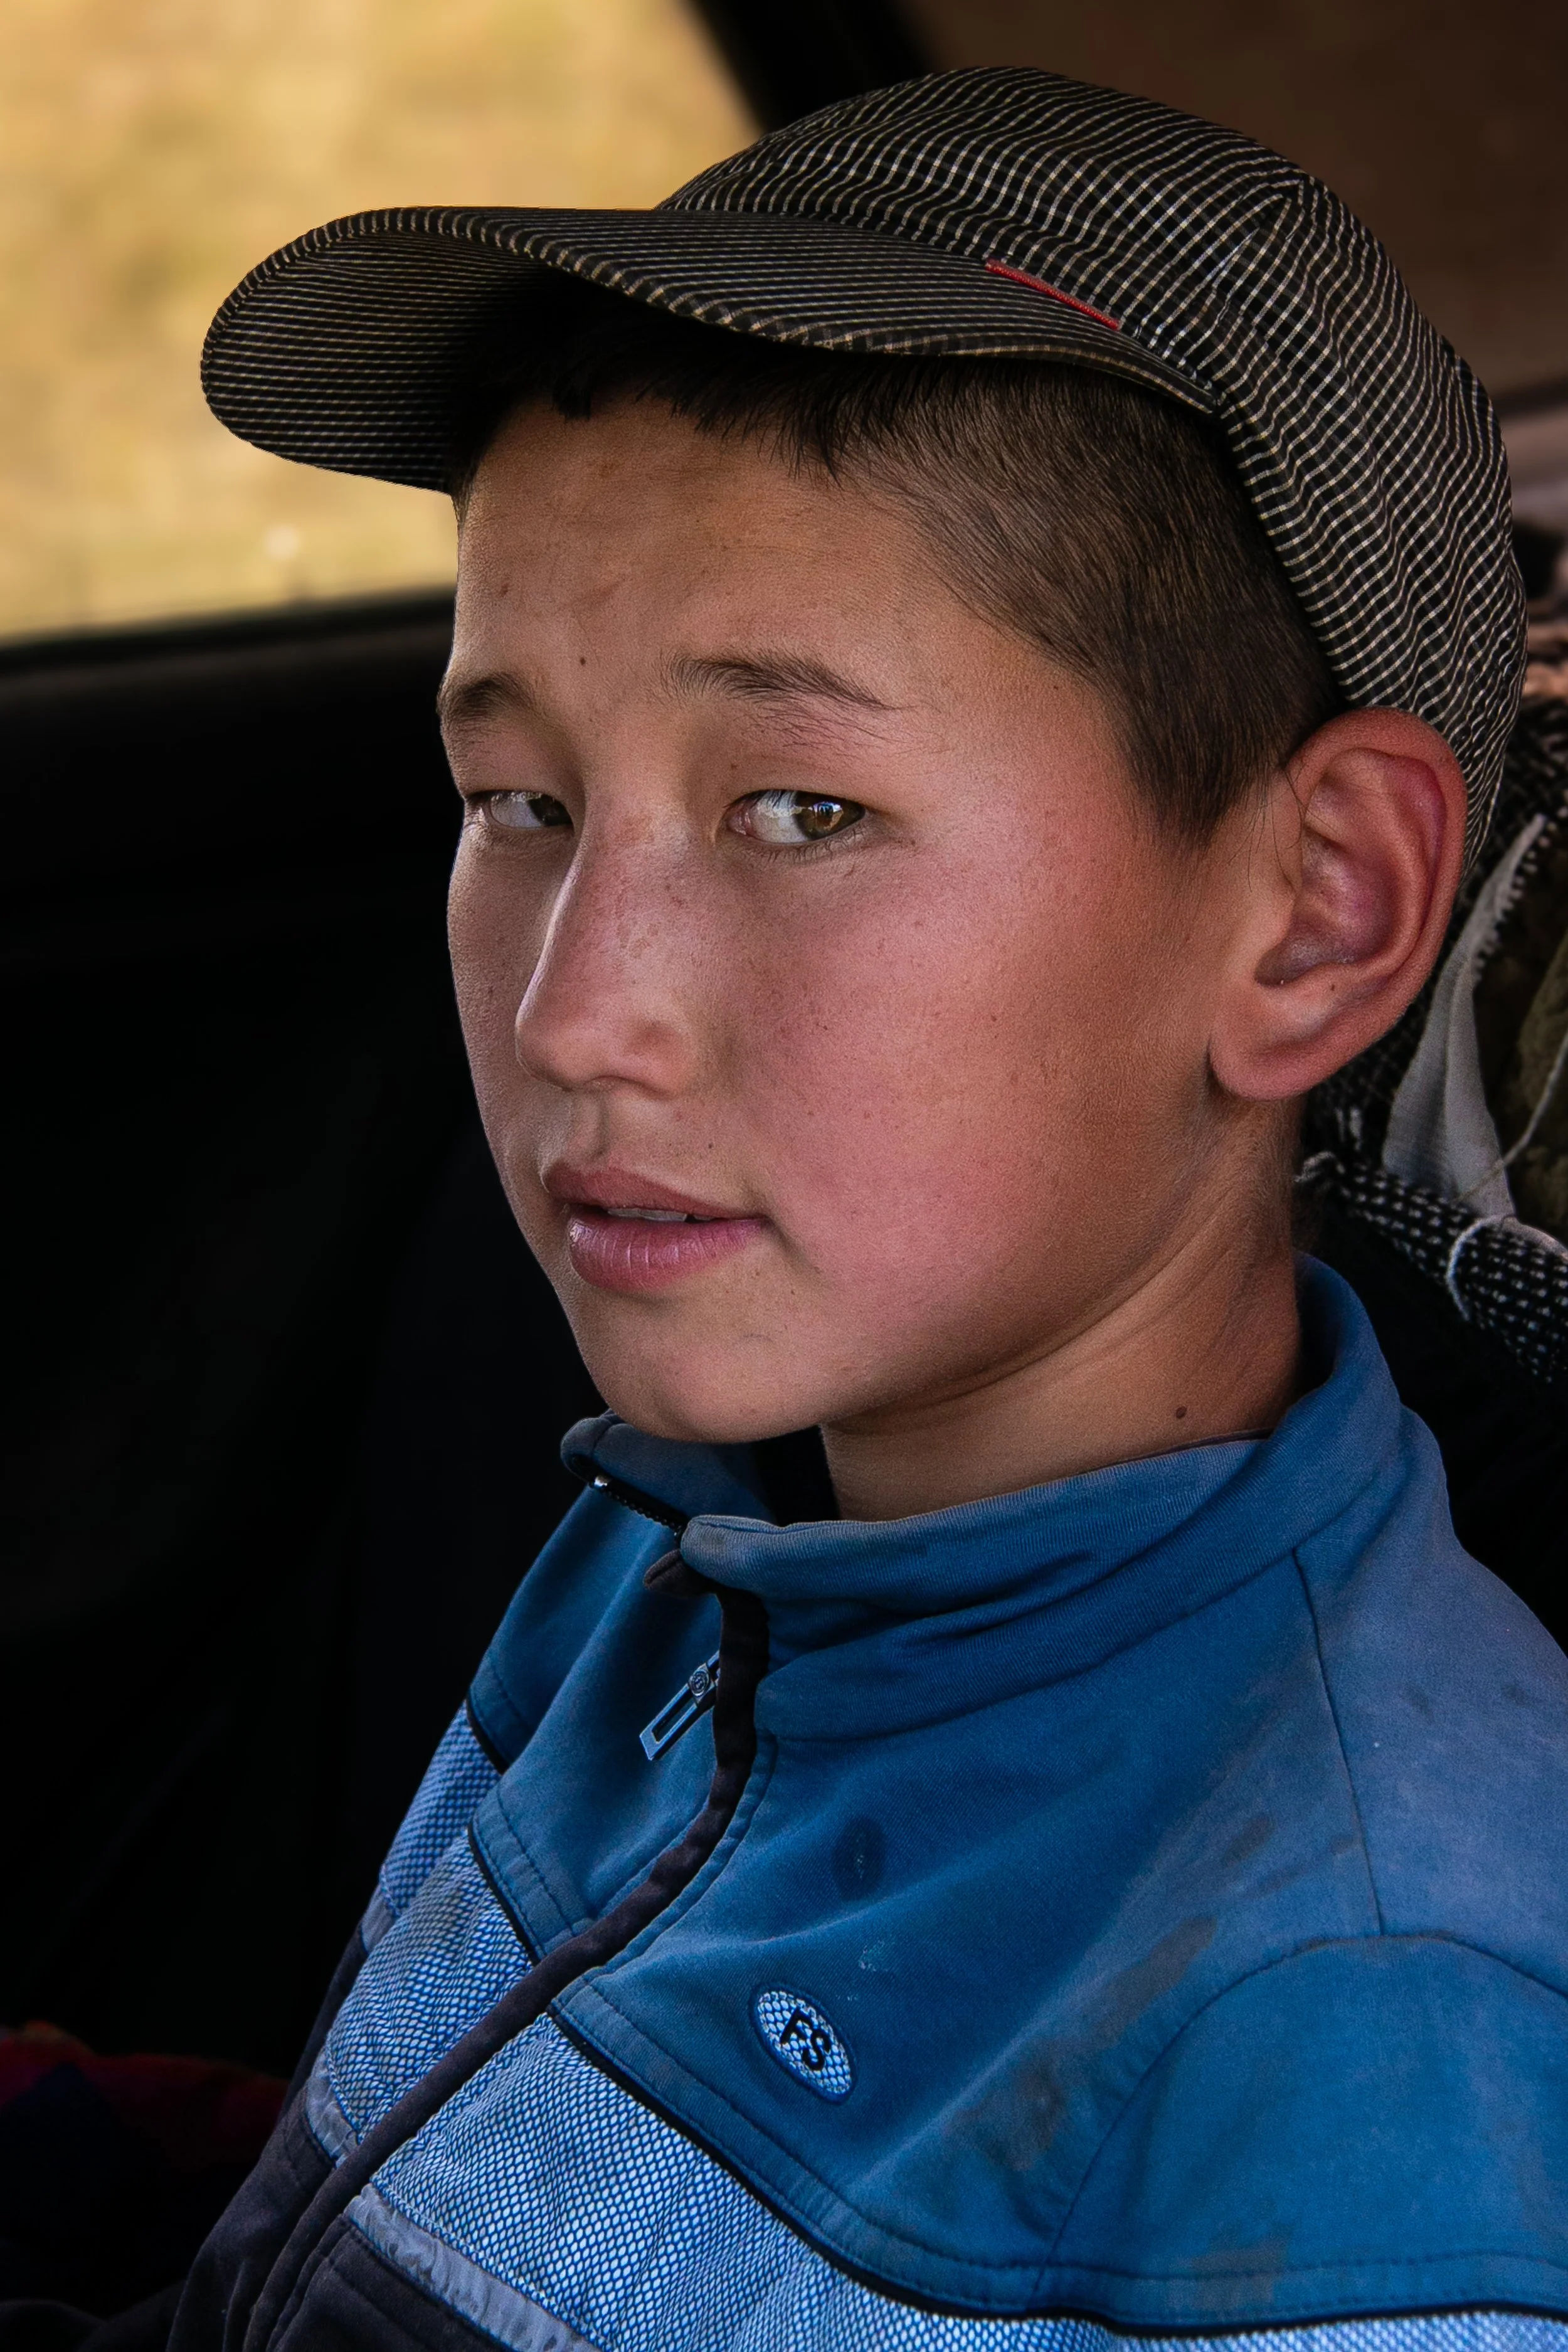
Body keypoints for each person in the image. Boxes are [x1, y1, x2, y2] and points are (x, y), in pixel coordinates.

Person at [78, 65, 1568, 2352]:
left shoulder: (1362, 2060)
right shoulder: (688, 1541)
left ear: (1310, 914)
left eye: (796, 808)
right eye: (518, 799)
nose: (579, 1016)